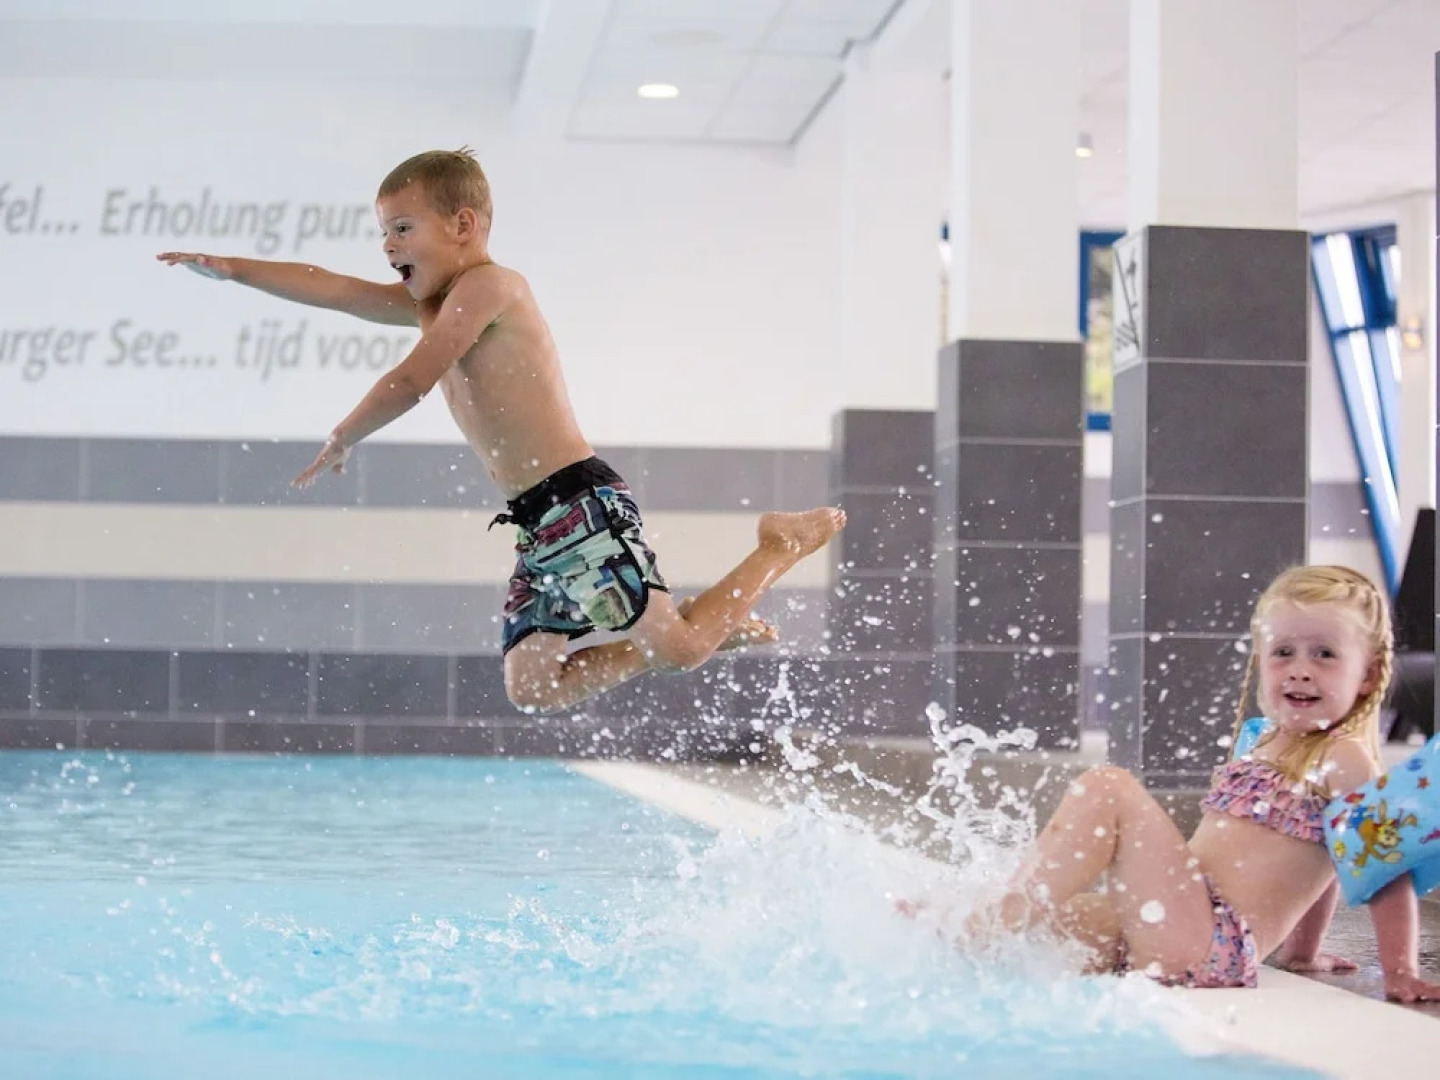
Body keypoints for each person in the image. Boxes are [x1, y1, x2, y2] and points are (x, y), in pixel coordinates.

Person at [158, 148, 844, 713]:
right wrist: (231, 270)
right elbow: (329, 286)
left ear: (463, 224)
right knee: (536, 690)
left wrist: (344, 434)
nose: (388, 245)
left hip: (580, 504)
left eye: (402, 227)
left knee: (682, 654)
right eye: (383, 232)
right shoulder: (427, 302)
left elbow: (413, 379)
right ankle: (683, 626)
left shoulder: (493, 287)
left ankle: (778, 546)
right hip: (537, 521)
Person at [907, 565, 1440, 1002]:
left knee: (1109, 786)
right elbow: (1325, 857)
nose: (1301, 670)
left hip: (1211, 945)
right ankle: (971, 926)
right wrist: (1303, 952)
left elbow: (1380, 870)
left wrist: (1400, 973)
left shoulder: (1345, 758)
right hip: (1175, 922)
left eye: (1324, 654)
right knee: (1031, 928)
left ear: (1368, 674)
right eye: (1284, 653)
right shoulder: (1265, 742)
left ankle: (994, 917)